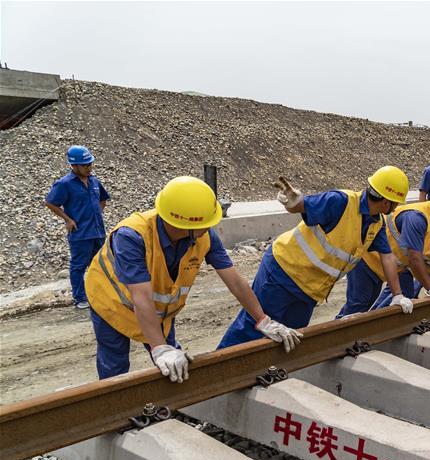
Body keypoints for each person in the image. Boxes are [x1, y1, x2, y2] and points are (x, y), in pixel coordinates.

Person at [85, 177, 299, 382]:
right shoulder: (132, 236)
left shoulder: (204, 236)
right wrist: (159, 349)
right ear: (183, 224)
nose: (209, 227)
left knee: (174, 367)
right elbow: (141, 296)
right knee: (115, 365)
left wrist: (262, 320)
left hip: (157, 311)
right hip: (112, 303)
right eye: (205, 223)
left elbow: (235, 281)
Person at [219, 166, 413, 347]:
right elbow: (300, 206)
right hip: (283, 272)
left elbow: (387, 256)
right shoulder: (341, 201)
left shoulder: (376, 223)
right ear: (386, 202)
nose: (396, 207)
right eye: (396, 203)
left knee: (290, 338)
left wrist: (397, 295)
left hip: (310, 289)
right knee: (255, 326)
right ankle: (221, 363)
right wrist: (293, 203)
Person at [339, 186, 430, 316]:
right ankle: (339, 332)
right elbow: (414, 258)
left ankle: (373, 327)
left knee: (385, 301)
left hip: (388, 267)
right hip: (368, 262)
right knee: (358, 306)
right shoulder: (417, 218)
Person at [45, 145, 110, 309]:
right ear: (74, 166)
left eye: (90, 164)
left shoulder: (94, 181)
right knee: (79, 266)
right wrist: (68, 220)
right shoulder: (65, 184)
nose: (89, 167)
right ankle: (80, 298)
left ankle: (100, 294)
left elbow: (103, 199)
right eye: (85, 165)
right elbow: (50, 202)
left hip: (98, 231)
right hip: (80, 233)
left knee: (100, 265)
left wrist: (97, 214)